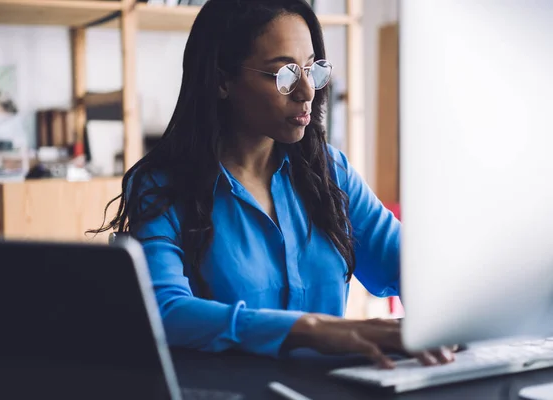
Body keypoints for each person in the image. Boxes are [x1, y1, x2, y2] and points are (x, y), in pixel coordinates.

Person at [94, 0, 454, 369]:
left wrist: (447, 310)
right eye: (284, 73)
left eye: (312, 69)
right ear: (222, 80)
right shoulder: (160, 186)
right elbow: (165, 313)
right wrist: (310, 328)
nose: (307, 91)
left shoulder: (331, 172)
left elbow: (411, 267)